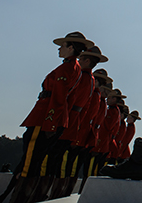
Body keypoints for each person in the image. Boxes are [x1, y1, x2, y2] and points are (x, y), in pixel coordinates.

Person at [0, 31, 93, 203]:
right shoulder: (73, 67)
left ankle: (20, 199)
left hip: (44, 118)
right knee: (34, 162)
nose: (59, 49)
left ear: (71, 48)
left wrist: (50, 125)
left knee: (30, 164)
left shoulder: (66, 68)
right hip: (49, 117)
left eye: (63, 46)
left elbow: (59, 98)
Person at [48, 45, 107, 199]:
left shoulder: (86, 81)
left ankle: (56, 196)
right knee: (66, 167)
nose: (78, 60)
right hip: (76, 128)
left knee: (60, 166)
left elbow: (86, 113)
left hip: (71, 127)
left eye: (81, 58)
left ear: (87, 61)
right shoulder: (89, 82)